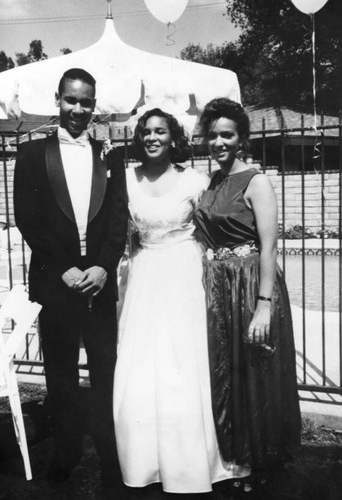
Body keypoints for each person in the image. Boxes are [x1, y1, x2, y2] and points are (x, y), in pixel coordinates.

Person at [113, 108, 251, 496]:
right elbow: (123, 232)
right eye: (146, 131)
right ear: (139, 137)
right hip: (143, 275)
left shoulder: (194, 180)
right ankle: (144, 462)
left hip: (183, 275)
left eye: (161, 131)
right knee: (140, 365)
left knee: (182, 364)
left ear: (174, 138)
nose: (153, 137)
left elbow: (214, 230)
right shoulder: (127, 179)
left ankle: (191, 465)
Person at [14, 68, 128, 488]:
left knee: (105, 368)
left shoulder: (110, 154)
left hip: (99, 280)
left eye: (86, 102)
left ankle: (110, 453)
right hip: (56, 279)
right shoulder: (30, 155)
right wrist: (63, 267)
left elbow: (119, 219)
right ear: (57, 100)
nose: (78, 109)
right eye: (71, 100)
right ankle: (65, 451)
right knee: (59, 371)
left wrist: (102, 266)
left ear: (94, 106)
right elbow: (27, 218)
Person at [194, 98, 301, 496]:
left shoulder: (256, 181)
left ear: (241, 139)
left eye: (227, 135)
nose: (219, 142)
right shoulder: (211, 181)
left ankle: (263, 463)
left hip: (251, 285)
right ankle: (235, 458)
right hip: (219, 288)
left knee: (256, 374)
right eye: (213, 135)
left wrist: (263, 306)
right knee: (229, 373)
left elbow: (270, 248)